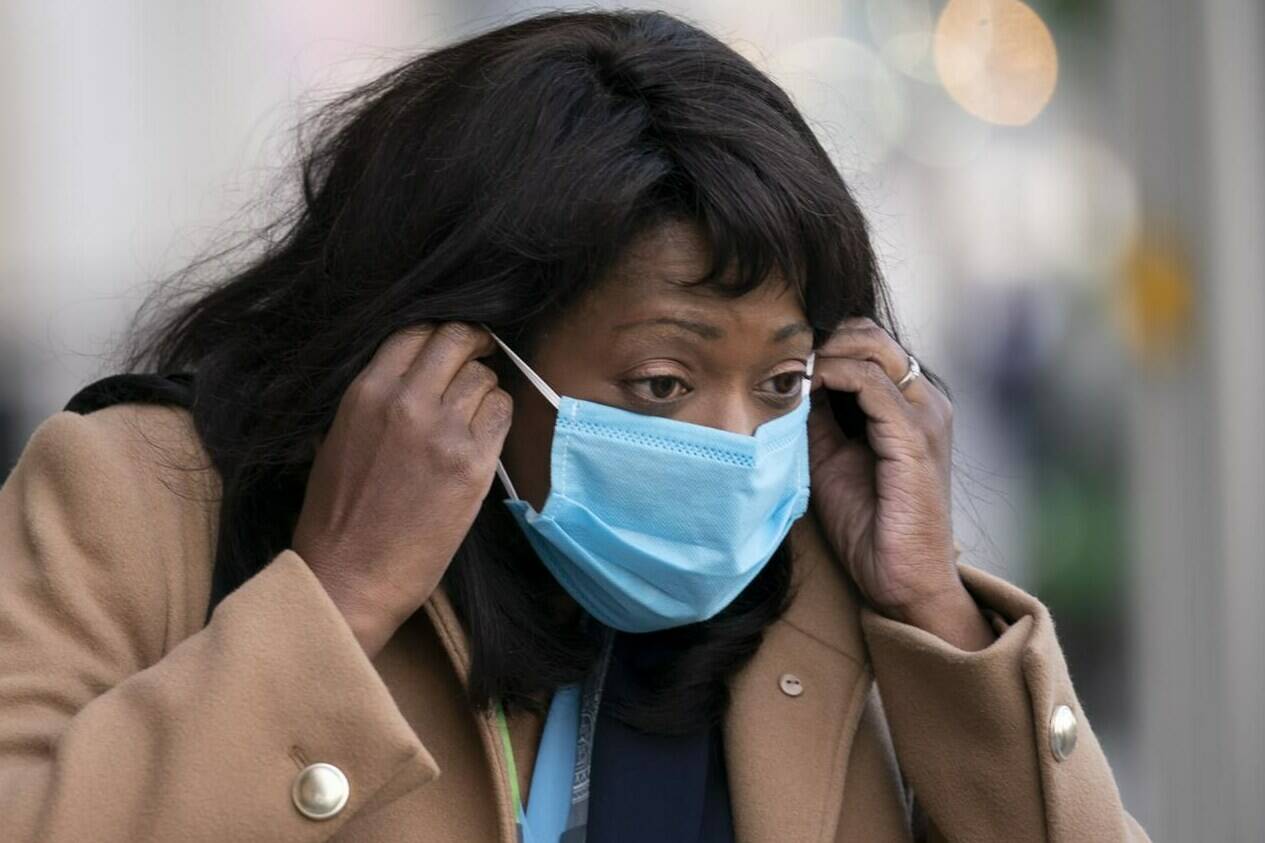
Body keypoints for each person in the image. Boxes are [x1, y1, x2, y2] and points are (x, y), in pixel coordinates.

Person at [0, 9, 1149, 842]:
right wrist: (335, 599)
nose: (727, 445)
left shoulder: (824, 594)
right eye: (660, 384)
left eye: (781, 384)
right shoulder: (138, 504)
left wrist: (937, 620)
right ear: (446, 349)